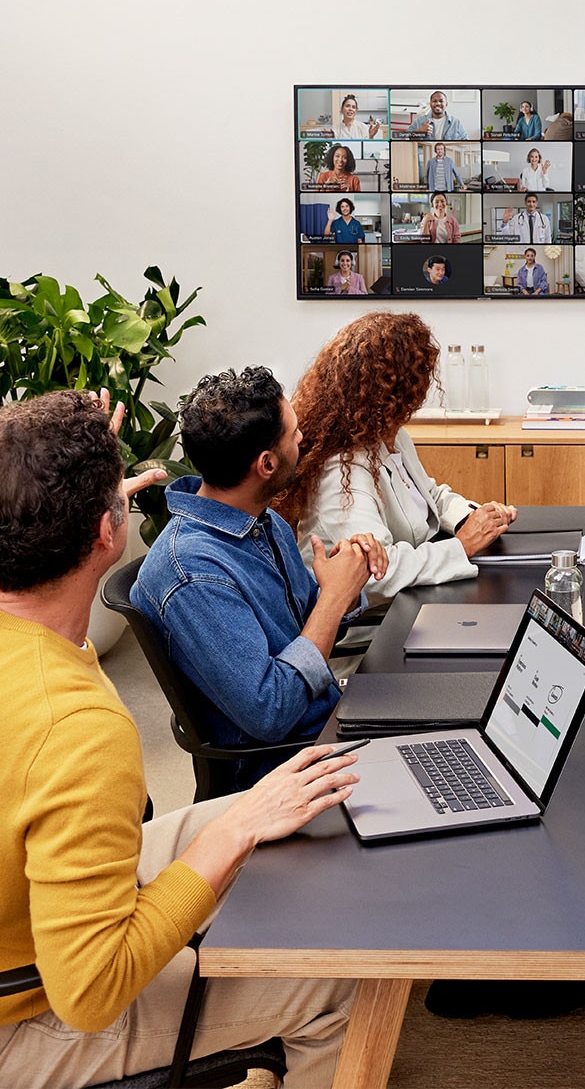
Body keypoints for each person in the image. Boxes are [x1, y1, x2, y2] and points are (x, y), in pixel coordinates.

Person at [0, 390, 358, 1086]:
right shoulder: (76, 728)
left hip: (28, 916)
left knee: (305, 811)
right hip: (29, 1014)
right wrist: (234, 833)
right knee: (335, 980)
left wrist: (77, 499)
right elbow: (92, 991)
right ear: (107, 533)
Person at [132, 368, 387, 787]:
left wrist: (346, 578)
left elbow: (309, 627)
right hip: (283, 770)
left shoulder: (261, 522)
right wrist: (332, 600)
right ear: (266, 464)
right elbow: (270, 711)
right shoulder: (193, 573)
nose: (302, 439)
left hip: (326, 724)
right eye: (294, 433)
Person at [279, 313, 518, 609]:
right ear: (402, 389)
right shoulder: (341, 469)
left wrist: (476, 517)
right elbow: (379, 573)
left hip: (414, 600)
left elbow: (430, 495)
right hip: (372, 629)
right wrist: (463, 545)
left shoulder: (391, 437)